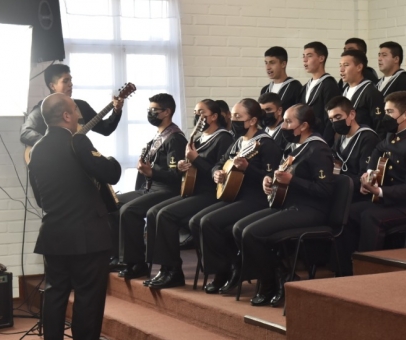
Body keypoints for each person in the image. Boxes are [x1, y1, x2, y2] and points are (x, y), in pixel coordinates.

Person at [28, 93, 121, 340]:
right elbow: (110, 173)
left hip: (53, 234)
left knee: (55, 297)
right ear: (66, 116)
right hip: (87, 236)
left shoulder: (37, 149)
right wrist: (112, 160)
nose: (79, 116)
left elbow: (40, 199)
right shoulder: (77, 140)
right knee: (88, 298)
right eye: (76, 111)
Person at [233, 104, 334, 307]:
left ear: (304, 125)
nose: (284, 126)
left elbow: (325, 190)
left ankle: (272, 281)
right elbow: (280, 173)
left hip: (311, 209)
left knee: (252, 233)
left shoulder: (318, 149)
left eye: (289, 122)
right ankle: (281, 275)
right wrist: (269, 180)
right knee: (239, 228)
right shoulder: (293, 145)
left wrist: (292, 181)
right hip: (288, 204)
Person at [337, 91, 406, 275]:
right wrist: (369, 174)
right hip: (393, 200)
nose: (385, 116)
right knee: (349, 213)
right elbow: (377, 149)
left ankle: (367, 272)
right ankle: (345, 269)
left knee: (370, 217)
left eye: (390, 112)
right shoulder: (393, 134)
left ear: (405, 115)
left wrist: (378, 191)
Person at [191, 99, 282, 294]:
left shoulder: (266, 144)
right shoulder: (238, 141)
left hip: (255, 199)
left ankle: (227, 270)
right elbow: (221, 162)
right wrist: (217, 172)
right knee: (196, 221)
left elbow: (272, 178)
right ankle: (229, 265)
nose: (234, 120)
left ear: (253, 121)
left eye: (239, 117)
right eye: (233, 116)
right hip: (233, 195)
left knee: (209, 222)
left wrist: (249, 169)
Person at [142, 100, 234, 289]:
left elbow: (219, 172)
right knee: (153, 212)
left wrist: (196, 160)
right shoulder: (199, 139)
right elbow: (193, 169)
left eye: (202, 113)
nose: (197, 116)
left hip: (211, 193)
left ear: (214, 116)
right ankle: (164, 267)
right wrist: (184, 167)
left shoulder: (223, 138)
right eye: (195, 112)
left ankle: (175, 270)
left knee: (166, 215)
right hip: (194, 191)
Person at [116, 93, 188, 280]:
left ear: (167, 112)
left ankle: (137, 263)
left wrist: (152, 173)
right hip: (149, 188)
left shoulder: (175, 139)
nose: (150, 113)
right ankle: (121, 257)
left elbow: (176, 176)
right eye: (149, 110)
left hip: (166, 190)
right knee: (113, 202)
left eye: (154, 110)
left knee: (129, 210)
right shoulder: (158, 135)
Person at [20, 63, 123, 147]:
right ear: (52, 86)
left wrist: (116, 111)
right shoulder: (41, 109)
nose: (71, 84)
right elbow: (25, 133)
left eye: (70, 80)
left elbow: (105, 129)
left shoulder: (81, 106)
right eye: (65, 81)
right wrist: (50, 144)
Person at [326, 96, 380, 205]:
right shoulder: (340, 138)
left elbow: (364, 176)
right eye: (331, 119)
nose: (335, 122)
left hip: (358, 195)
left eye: (338, 117)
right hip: (341, 189)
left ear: (352, 114)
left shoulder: (368, 138)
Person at [299, 41, 340, 145]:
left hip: (321, 140)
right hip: (306, 139)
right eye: (303, 56)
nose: (304, 60)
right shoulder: (305, 87)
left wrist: (324, 143)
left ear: (321, 58)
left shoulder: (329, 85)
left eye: (309, 56)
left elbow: (330, 119)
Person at [338, 49, 384, 133]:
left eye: (346, 65)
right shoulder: (345, 90)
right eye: (340, 65)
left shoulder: (370, 92)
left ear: (359, 67)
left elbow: (379, 124)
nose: (341, 69)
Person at [260, 46, 302, 111]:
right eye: (266, 63)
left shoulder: (295, 87)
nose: (268, 67)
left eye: (272, 63)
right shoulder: (265, 90)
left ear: (283, 64)